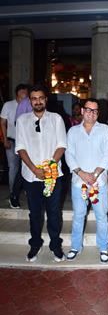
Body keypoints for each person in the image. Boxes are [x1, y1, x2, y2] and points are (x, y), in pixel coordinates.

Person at [15, 84, 67, 262]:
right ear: (30, 101)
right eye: (34, 98)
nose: (38, 101)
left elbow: (61, 145)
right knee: (35, 213)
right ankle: (35, 245)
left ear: (46, 99)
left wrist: (48, 167)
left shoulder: (56, 119)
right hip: (31, 176)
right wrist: (35, 170)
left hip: (53, 175)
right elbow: (20, 148)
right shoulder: (22, 120)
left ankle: (55, 245)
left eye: (41, 98)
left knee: (54, 212)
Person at [65, 98, 108, 263]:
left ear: (98, 113)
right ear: (82, 111)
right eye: (88, 109)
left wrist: (95, 173)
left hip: (99, 182)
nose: (91, 113)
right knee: (78, 215)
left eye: (94, 110)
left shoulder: (105, 130)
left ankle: (103, 247)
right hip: (79, 183)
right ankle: (75, 246)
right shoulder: (72, 132)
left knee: (101, 216)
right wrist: (81, 173)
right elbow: (69, 155)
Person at [0, 83, 29, 208]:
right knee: (13, 167)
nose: (25, 94)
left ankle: (27, 189)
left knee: (26, 166)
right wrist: (4, 139)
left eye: (26, 93)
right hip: (12, 140)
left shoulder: (29, 104)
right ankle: (13, 193)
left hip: (25, 142)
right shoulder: (8, 105)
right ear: (17, 93)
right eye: (23, 92)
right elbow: (2, 123)